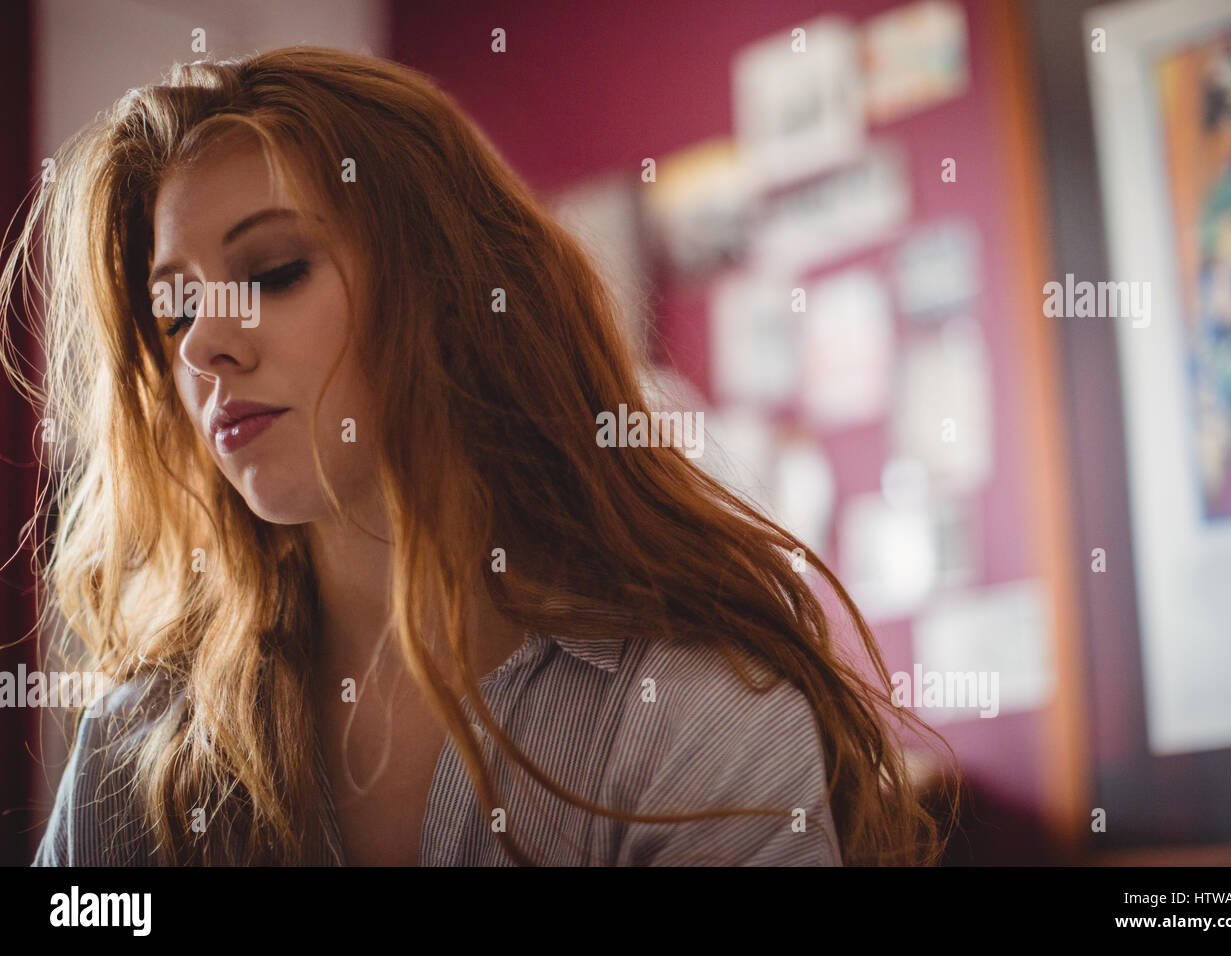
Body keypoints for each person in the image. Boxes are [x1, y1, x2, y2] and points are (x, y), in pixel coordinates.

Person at [2, 46, 956, 866]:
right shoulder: (140, 752)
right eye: (176, 306)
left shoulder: (689, 716)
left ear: (450, 297)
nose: (205, 343)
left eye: (272, 271)